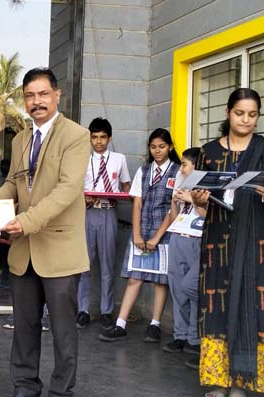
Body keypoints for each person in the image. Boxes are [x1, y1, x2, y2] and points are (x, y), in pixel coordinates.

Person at [0, 67, 91, 397]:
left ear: (57, 95)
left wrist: (27, 220)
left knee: (63, 331)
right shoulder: (20, 140)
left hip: (59, 248)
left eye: (43, 94)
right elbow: (14, 185)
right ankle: (26, 388)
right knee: (24, 327)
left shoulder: (76, 136)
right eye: (30, 96)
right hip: (24, 249)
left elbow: (67, 190)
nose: (37, 101)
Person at [191, 88, 264, 397]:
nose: (246, 120)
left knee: (255, 306)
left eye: (252, 115)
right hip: (218, 243)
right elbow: (202, 206)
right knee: (217, 308)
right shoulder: (208, 153)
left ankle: (241, 385)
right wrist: (198, 198)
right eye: (239, 113)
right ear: (227, 112)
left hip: (258, 244)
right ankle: (219, 380)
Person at [99, 128, 180, 343]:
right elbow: (137, 203)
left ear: (170, 147)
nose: (157, 151)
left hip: (165, 233)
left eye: (161, 147)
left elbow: (173, 209)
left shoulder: (178, 172)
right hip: (142, 230)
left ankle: (155, 325)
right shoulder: (144, 171)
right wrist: (136, 234)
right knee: (135, 277)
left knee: (160, 281)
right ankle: (120, 324)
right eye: (153, 147)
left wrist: (156, 238)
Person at [76, 117, 131, 330]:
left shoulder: (119, 159)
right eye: (94, 137)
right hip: (88, 213)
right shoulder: (82, 159)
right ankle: (83, 310)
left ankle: (106, 311)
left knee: (108, 264)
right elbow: (74, 189)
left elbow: (125, 186)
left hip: (109, 212)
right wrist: (84, 199)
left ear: (110, 138)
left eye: (102, 137)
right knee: (85, 264)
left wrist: (126, 197)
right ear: (90, 138)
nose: (98, 141)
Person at [162, 147, 204, 355]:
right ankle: (180, 335)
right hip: (178, 236)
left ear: (196, 166)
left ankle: (194, 338)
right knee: (177, 288)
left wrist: (192, 200)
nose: (182, 169)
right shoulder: (181, 182)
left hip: (197, 239)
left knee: (192, 289)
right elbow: (174, 216)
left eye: (185, 164)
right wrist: (174, 201)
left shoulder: (207, 187)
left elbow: (208, 214)